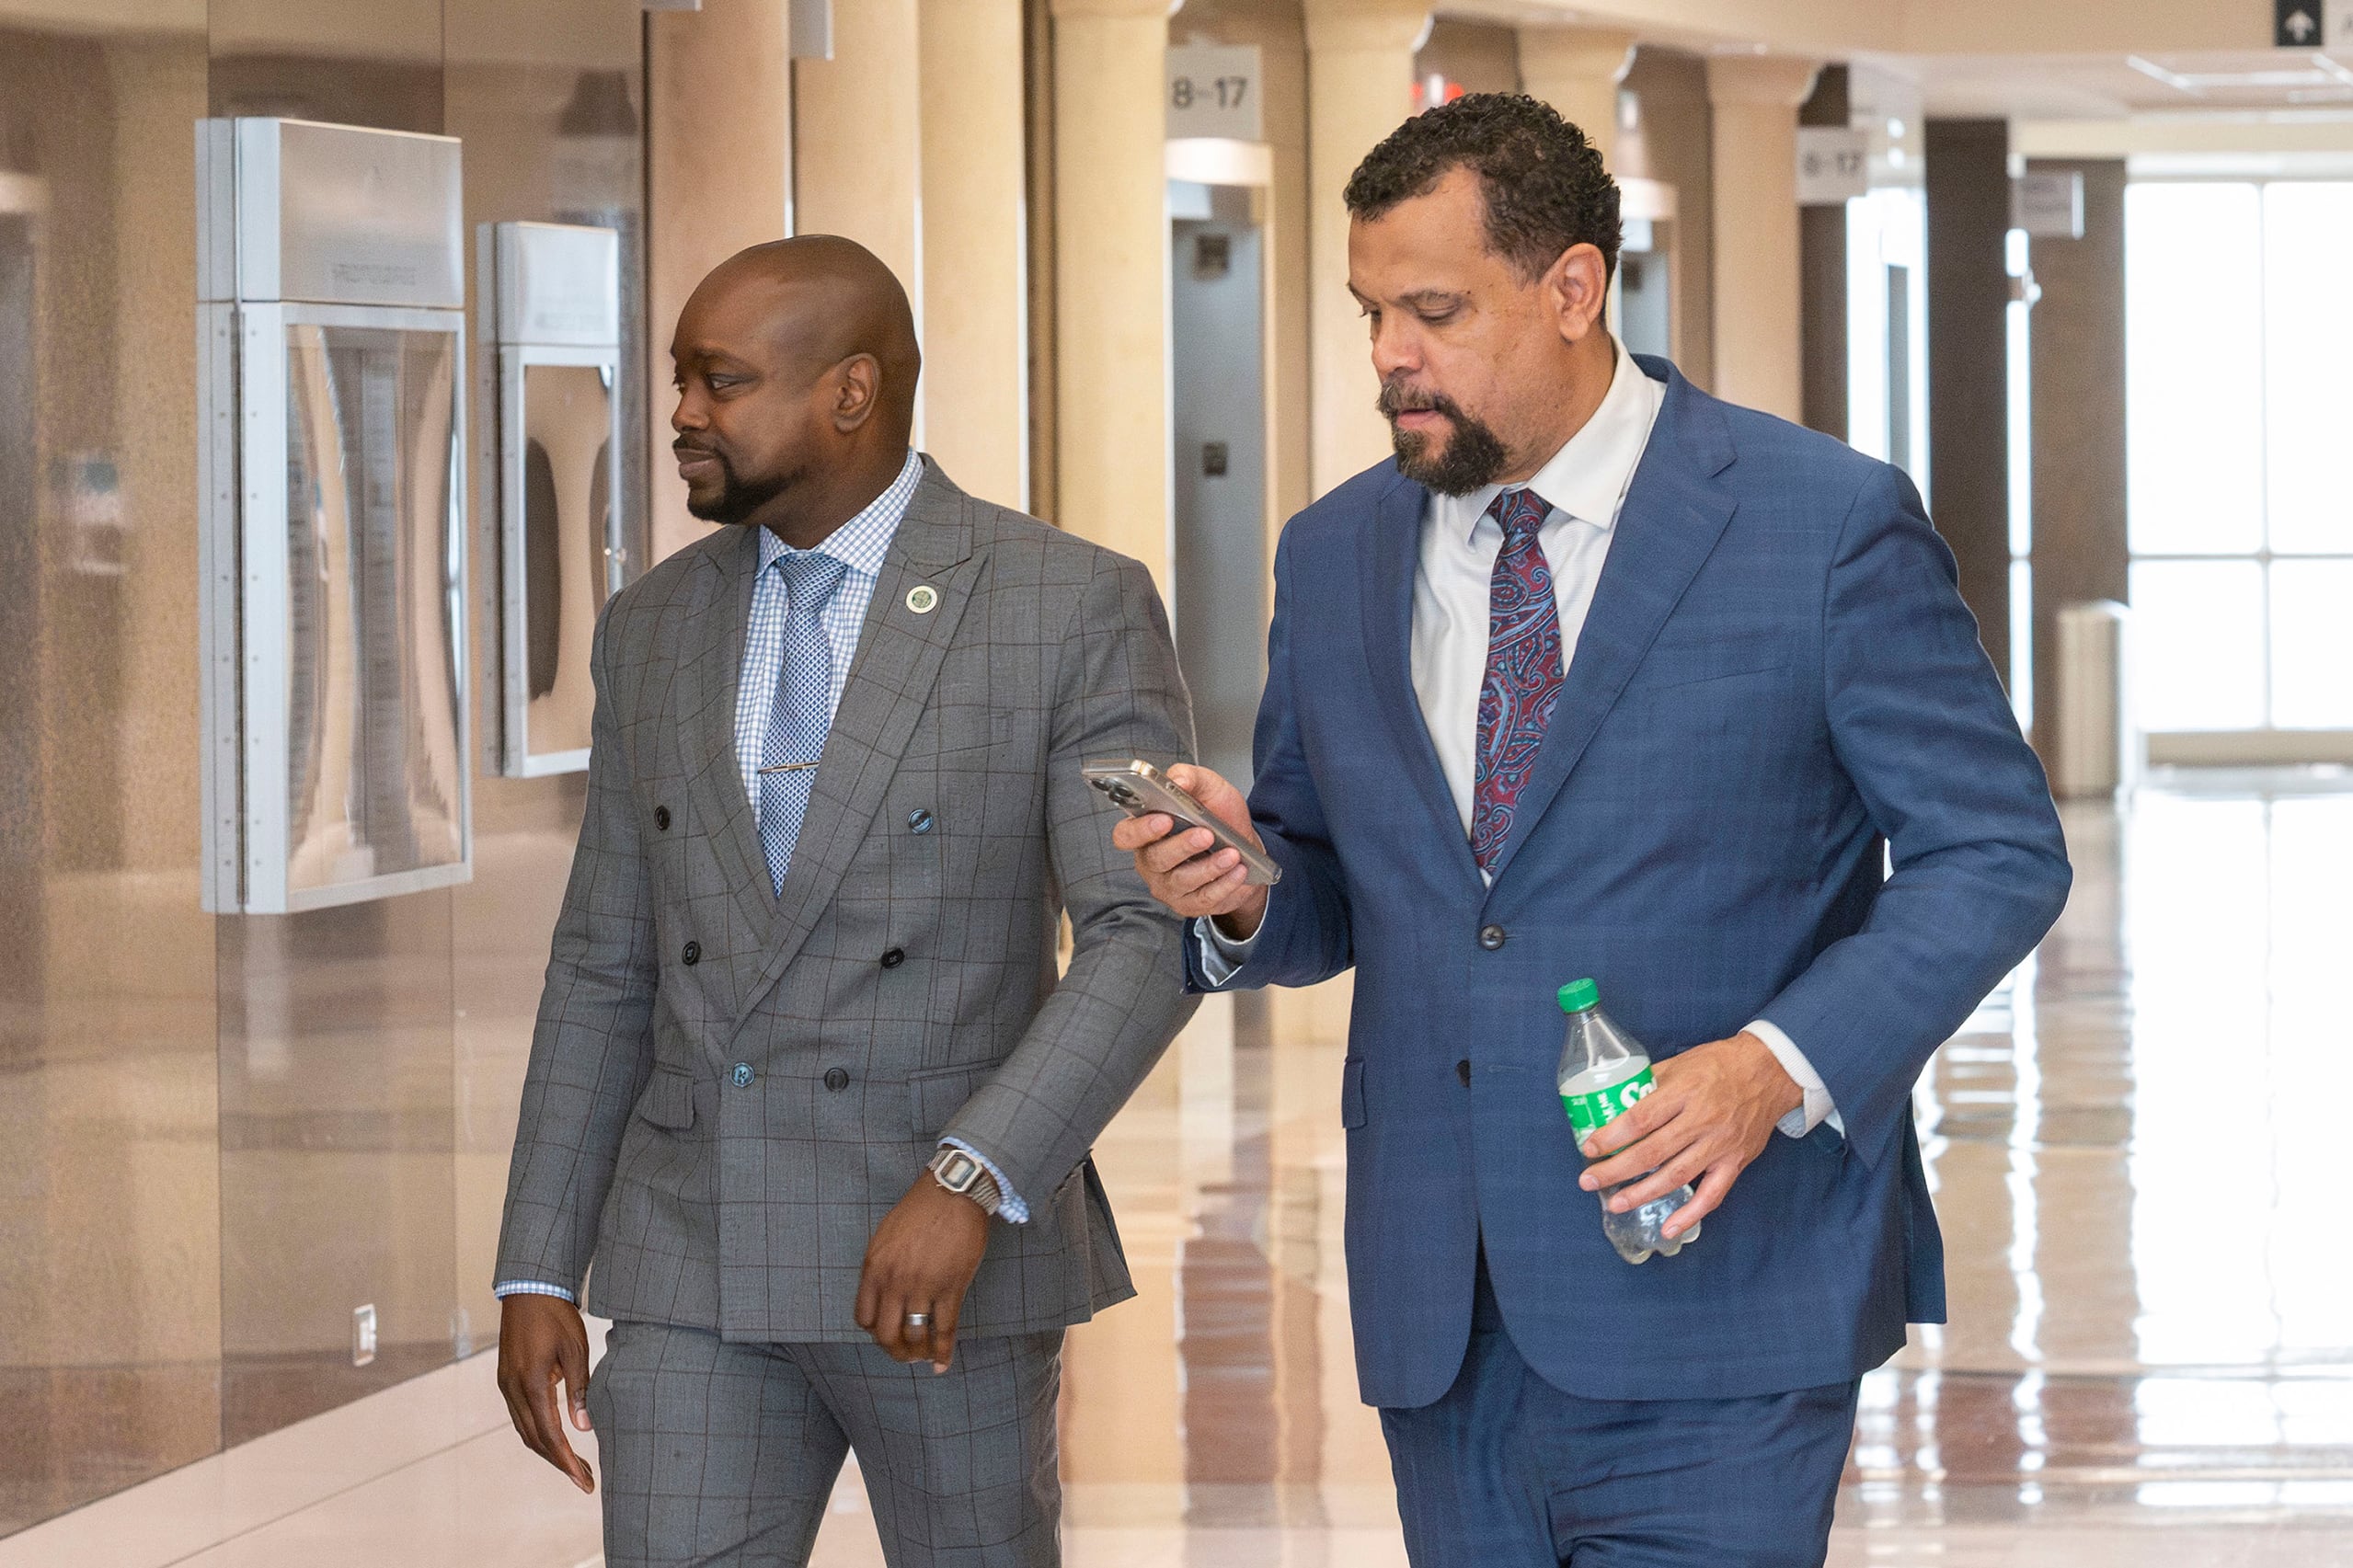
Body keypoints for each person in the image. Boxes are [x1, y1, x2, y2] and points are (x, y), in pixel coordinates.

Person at [1117, 95, 2071, 1566]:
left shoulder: (1819, 523)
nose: (1387, 355)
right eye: (1371, 311)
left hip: (1725, 1302)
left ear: (1570, 288)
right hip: (1441, 1318)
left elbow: (1995, 849)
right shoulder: (1335, 551)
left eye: (1431, 310)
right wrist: (1242, 889)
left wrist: (1776, 1064)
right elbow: (1326, 885)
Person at [493, 235, 1198, 1568]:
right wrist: (538, 1259)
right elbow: (602, 959)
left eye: (722, 380)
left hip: (940, 1261)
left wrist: (975, 1177)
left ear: (850, 392)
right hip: (694, 1247)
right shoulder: (650, 626)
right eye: (681, 378)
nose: (684, 414)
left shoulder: (1066, 606)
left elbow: (1140, 930)